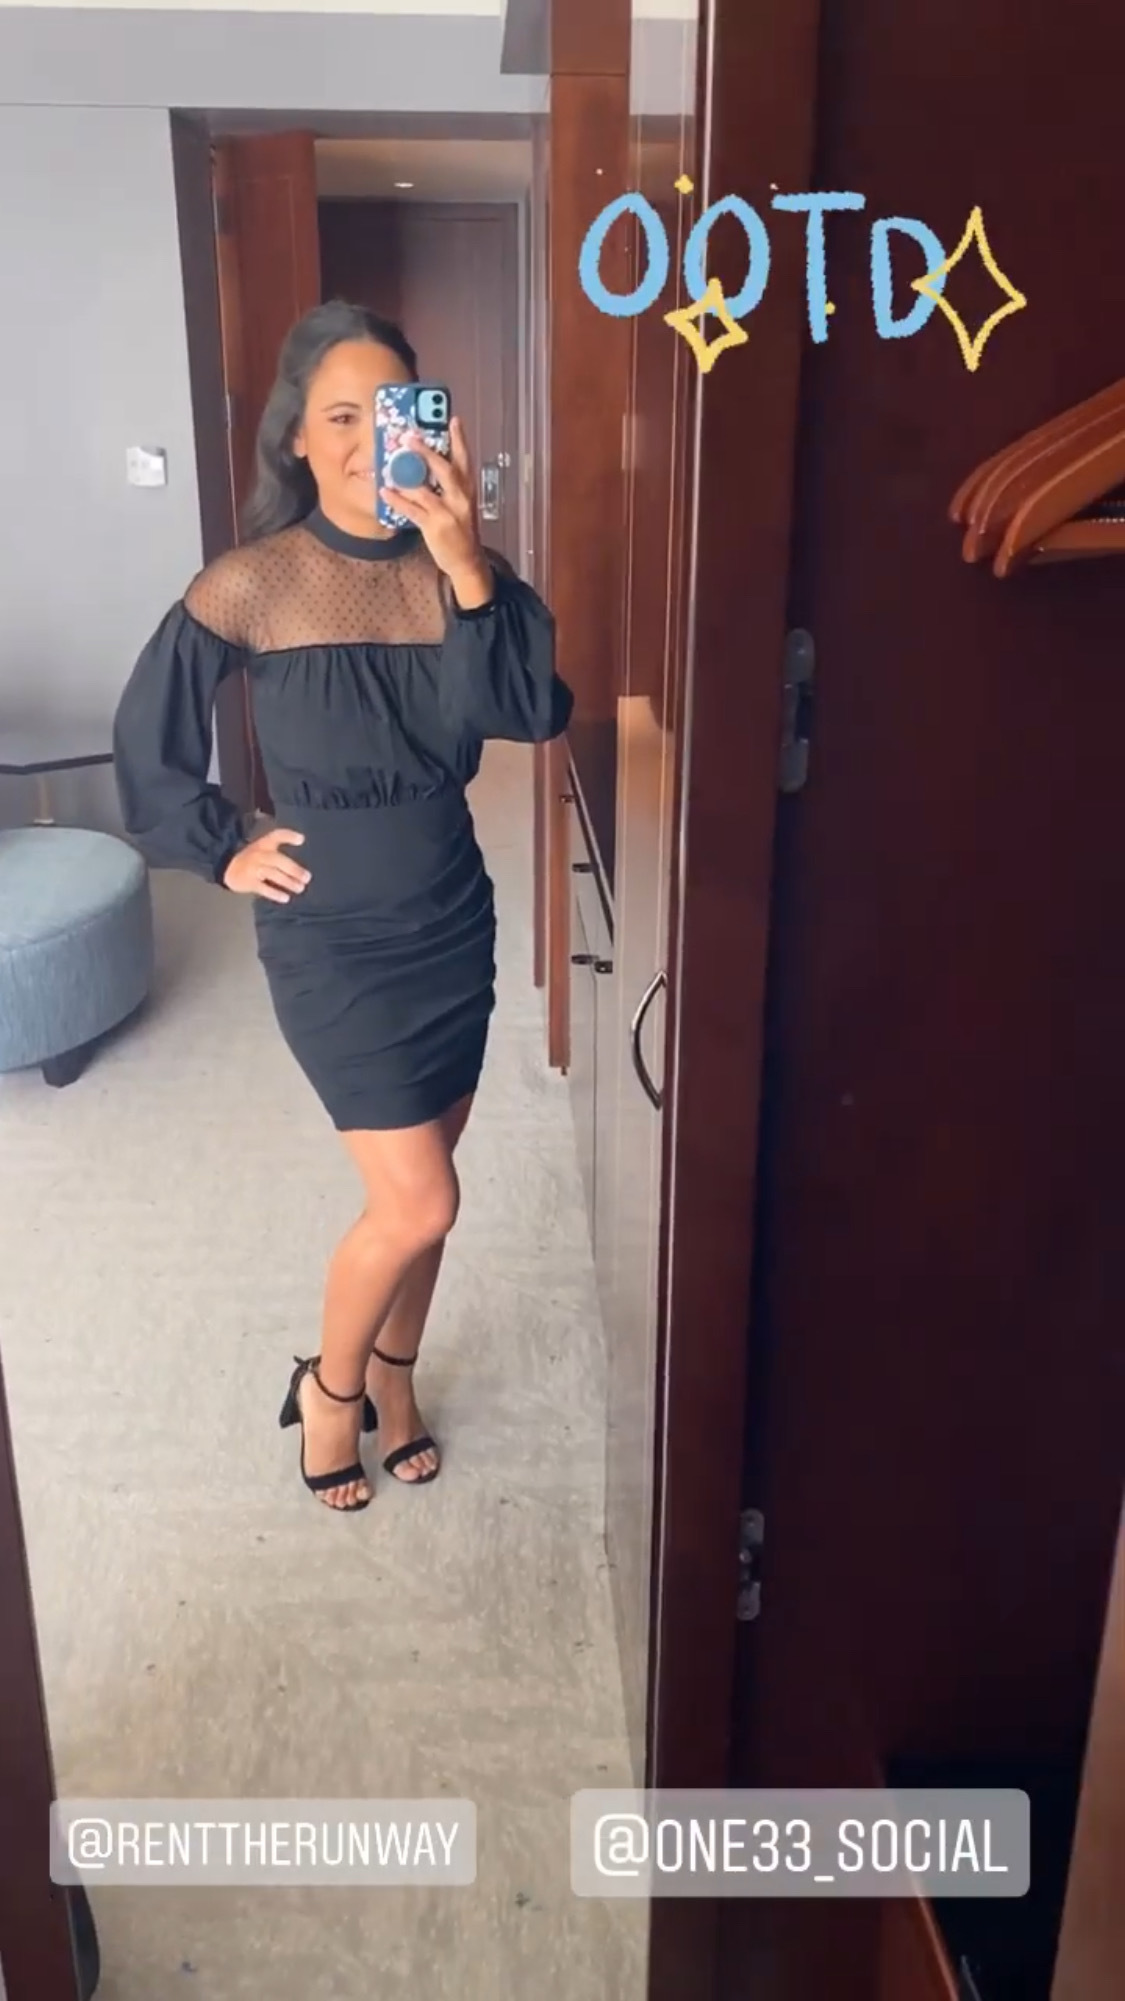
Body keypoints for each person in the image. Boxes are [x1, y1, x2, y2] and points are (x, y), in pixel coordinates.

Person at [113, 301, 572, 1515]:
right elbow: (150, 740)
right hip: (331, 935)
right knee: (423, 1197)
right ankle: (329, 1388)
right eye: (342, 416)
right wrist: (221, 847)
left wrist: (467, 562)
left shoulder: (470, 579)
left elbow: (531, 712)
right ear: (299, 440)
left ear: (437, 428)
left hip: (449, 916)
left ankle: (397, 1381)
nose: (373, 440)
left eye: (397, 412)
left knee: (422, 1196)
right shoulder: (254, 582)